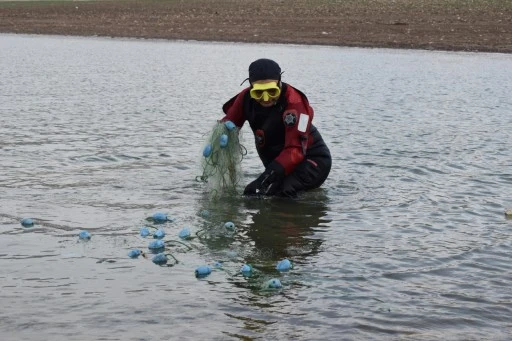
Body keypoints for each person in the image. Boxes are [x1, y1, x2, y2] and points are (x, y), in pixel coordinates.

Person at [220, 58, 331, 198]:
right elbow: (230, 121)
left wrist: (263, 179)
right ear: (251, 87)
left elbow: (295, 150)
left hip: (312, 161)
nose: (266, 98)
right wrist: (221, 134)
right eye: (259, 93)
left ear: (279, 83)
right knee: (264, 197)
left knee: (282, 193)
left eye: (272, 91)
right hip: (278, 164)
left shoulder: (295, 103)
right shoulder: (245, 99)